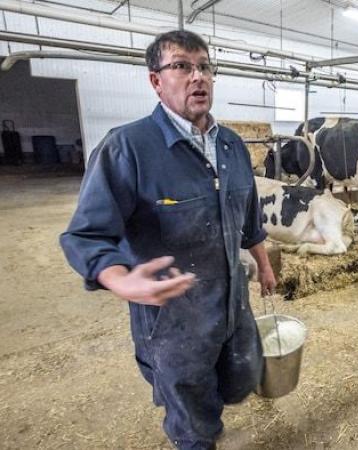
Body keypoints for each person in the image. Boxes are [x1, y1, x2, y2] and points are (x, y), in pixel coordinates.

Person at [60, 30, 277, 450]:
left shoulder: (232, 145)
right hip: (174, 321)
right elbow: (85, 235)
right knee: (194, 422)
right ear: (156, 81)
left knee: (239, 381)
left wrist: (263, 264)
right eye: (181, 66)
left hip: (233, 305)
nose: (197, 76)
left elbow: (248, 218)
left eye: (205, 66)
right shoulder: (127, 147)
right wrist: (121, 280)